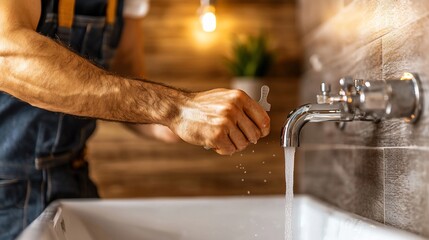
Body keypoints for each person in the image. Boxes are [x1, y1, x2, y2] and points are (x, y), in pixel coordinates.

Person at [0, 0, 270, 239]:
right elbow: (8, 54)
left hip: (72, 177)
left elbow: (127, 71)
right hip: (7, 193)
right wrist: (178, 109)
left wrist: (172, 125)